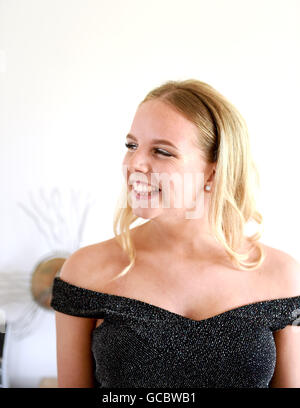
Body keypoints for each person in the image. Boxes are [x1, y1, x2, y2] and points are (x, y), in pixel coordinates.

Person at [50, 79, 300, 388]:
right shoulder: (86, 270)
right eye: (131, 145)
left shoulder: (281, 275)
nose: (134, 163)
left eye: (162, 152)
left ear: (214, 169)